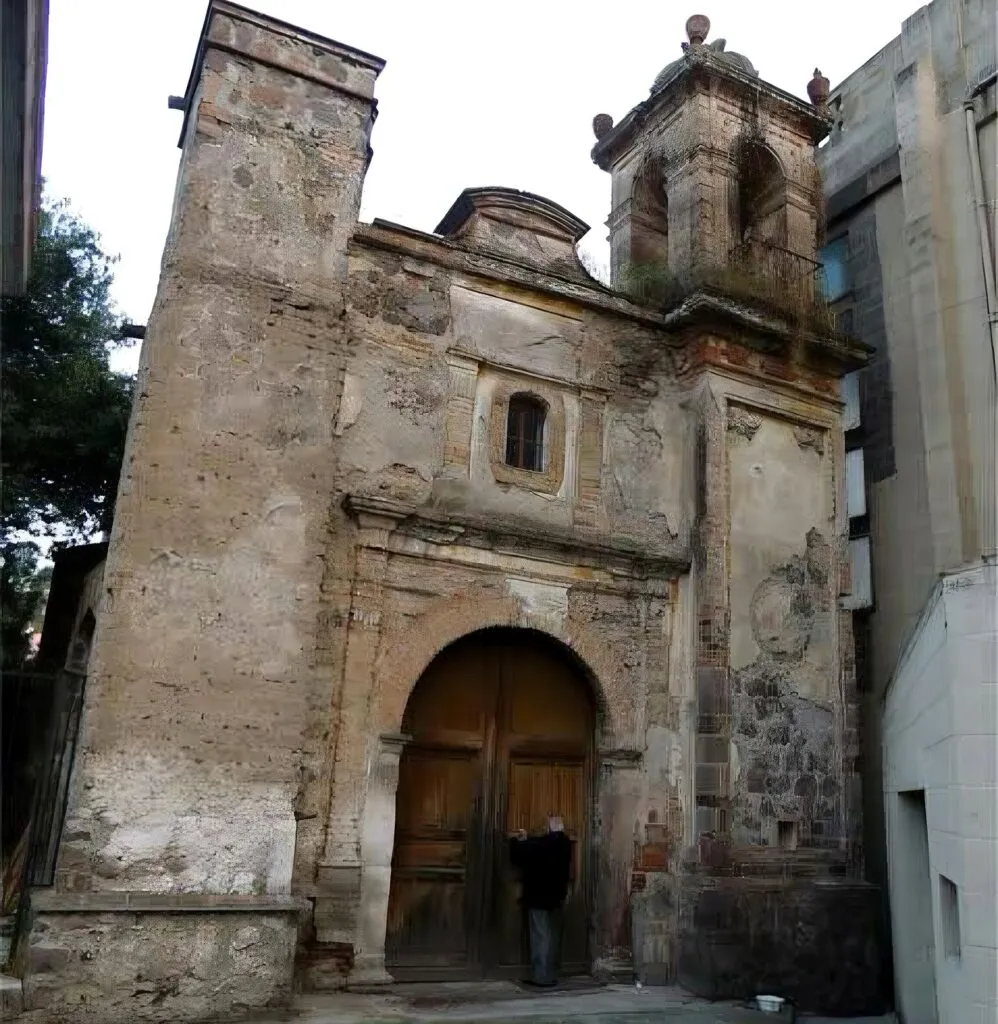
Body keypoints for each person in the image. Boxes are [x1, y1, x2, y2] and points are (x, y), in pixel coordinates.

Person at [508, 815, 573, 988]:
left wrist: (518, 839)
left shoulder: (541, 845)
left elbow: (521, 853)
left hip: (539, 897)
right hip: (557, 897)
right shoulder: (565, 845)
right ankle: (551, 975)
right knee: (552, 937)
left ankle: (541, 977)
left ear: (549, 829)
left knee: (541, 936)